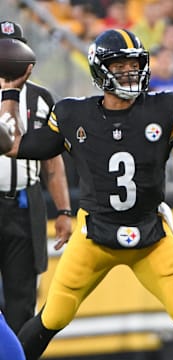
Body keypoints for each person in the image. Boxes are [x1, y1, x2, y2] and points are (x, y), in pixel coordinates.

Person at [0, 28, 173, 360]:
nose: (129, 72)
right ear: (100, 70)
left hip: (151, 235)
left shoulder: (164, 107)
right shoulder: (74, 114)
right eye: (119, 66)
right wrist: (12, 92)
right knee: (52, 317)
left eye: (133, 64)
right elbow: (15, 145)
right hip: (94, 236)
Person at [0, 21, 72, 334]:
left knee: (23, 298)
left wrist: (65, 210)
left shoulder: (41, 99)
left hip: (25, 204)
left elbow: (52, 162)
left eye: (13, 48)